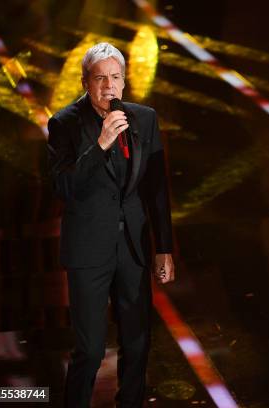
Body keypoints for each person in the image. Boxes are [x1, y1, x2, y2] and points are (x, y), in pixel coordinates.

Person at [47, 42, 175, 407]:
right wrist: (100, 143)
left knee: (138, 340)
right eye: (100, 78)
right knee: (90, 349)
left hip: (133, 245)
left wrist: (164, 247)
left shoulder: (144, 118)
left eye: (116, 78)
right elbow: (64, 187)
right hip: (88, 247)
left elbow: (156, 189)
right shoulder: (64, 123)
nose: (109, 87)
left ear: (125, 81)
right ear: (85, 81)